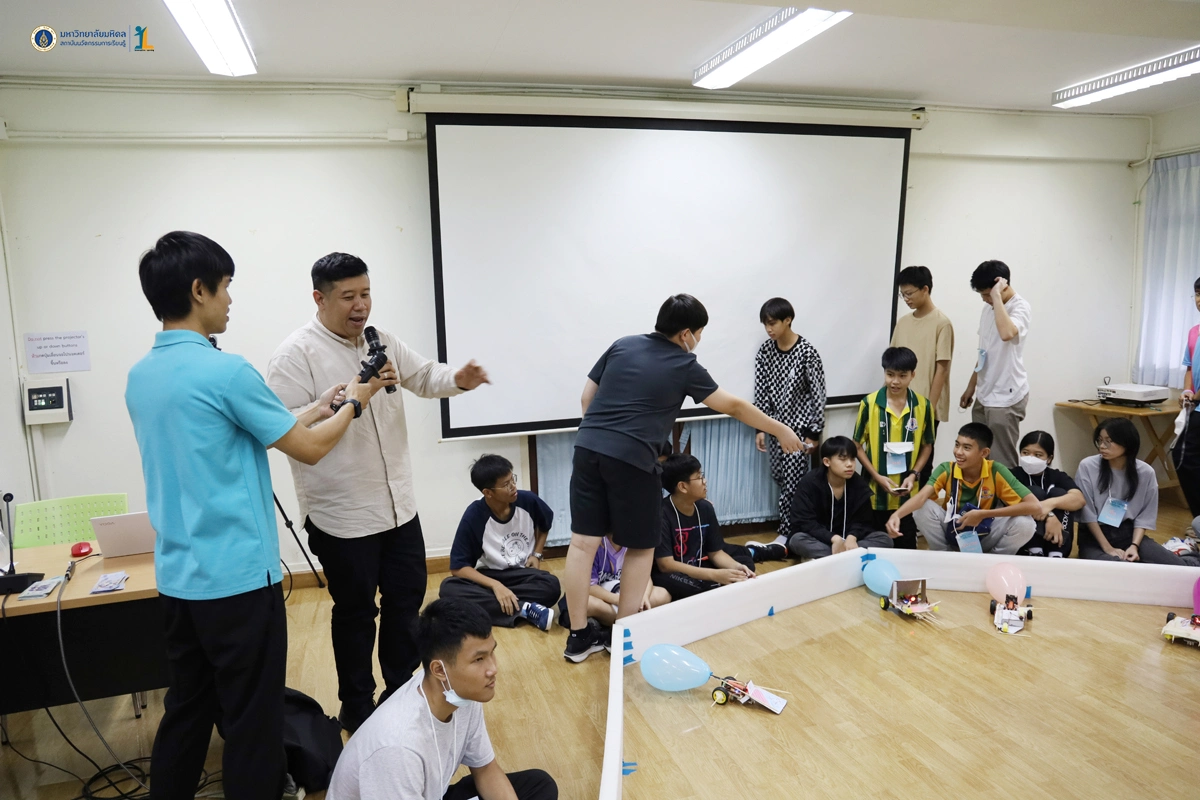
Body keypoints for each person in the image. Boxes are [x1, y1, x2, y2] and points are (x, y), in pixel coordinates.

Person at [126, 231, 379, 800]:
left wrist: (318, 407)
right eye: (225, 287)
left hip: (180, 579)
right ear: (199, 290)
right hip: (238, 580)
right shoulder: (227, 371)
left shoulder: (142, 376)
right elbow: (309, 450)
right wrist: (356, 403)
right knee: (252, 719)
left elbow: (238, 435)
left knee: (187, 708)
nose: (230, 299)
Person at [266, 252, 491, 732]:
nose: (361, 305)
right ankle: (357, 705)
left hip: (399, 508)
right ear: (319, 298)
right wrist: (349, 399)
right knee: (355, 613)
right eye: (348, 296)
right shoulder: (294, 355)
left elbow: (424, 375)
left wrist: (459, 380)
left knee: (405, 605)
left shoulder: (380, 339)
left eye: (366, 294)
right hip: (342, 515)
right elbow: (282, 428)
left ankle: (400, 693)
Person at [562, 294, 802, 662]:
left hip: (587, 448)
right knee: (641, 548)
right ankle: (624, 637)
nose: (699, 340)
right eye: (700, 333)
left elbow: (586, 398)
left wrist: (601, 436)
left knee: (582, 545)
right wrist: (780, 429)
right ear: (686, 334)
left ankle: (578, 638)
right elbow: (734, 405)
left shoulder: (622, 345)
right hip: (633, 459)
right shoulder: (684, 363)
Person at [325, 599, 558, 800]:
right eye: (479, 660)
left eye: (492, 653)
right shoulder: (397, 747)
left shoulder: (460, 691)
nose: (493, 669)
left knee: (539, 786)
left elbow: (486, 770)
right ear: (439, 670)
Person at [439, 455, 561, 630]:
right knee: (448, 589)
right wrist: (496, 586)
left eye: (513, 479)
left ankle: (499, 606)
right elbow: (458, 568)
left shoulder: (528, 500)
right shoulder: (474, 516)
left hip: (523, 574)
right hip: (490, 575)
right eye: (506, 484)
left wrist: (537, 554)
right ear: (488, 492)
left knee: (552, 585)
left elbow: (545, 524)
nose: (513, 487)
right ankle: (525, 609)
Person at [887, 423, 1039, 554]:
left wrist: (983, 514)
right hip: (951, 531)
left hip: (984, 533)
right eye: (957, 445)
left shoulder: (996, 470)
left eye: (966, 448)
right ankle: (944, 555)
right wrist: (896, 515)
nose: (958, 452)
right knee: (921, 507)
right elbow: (921, 497)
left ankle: (994, 561)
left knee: (1026, 523)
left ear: (984, 453)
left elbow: (1034, 506)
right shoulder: (946, 469)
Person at [752, 297, 827, 547]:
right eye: (765, 324)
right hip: (774, 427)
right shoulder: (766, 351)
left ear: (788, 320)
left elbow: (818, 394)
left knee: (793, 483)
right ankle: (797, 530)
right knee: (780, 477)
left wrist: (813, 432)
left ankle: (787, 533)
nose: (769, 329)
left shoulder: (806, 352)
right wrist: (760, 427)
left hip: (799, 430)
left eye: (772, 323)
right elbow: (761, 391)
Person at [1076, 419, 1195, 565]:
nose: (1102, 446)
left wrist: (1134, 546)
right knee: (1120, 569)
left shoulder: (1145, 472)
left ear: (1127, 442)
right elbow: (1087, 514)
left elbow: (1145, 515)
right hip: (1094, 536)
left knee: (1178, 567)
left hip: (1127, 533)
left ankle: (1186, 553)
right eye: (1100, 440)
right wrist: (1108, 548)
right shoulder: (1088, 466)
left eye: (1109, 441)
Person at [853, 347, 935, 549]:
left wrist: (914, 474)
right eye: (890, 375)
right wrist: (877, 476)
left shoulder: (923, 406)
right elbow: (856, 446)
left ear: (913, 375)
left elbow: (927, 445)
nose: (895, 381)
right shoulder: (869, 404)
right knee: (875, 548)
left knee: (906, 550)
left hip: (907, 495)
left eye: (902, 376)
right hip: (875, 493)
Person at [958, 260, 1032, 467]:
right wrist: (971, 386)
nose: (984, 299)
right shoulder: (988, 308)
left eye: (987, 294)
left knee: (1002, 462)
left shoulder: (1020, 307)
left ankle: (1005, 493)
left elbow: (1007, 333)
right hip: (984, 393)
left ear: (1002, 285)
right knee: (978, 459)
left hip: (1006, 396)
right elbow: (984, 352)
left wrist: (996, 297)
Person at [653, 454, 756, 600]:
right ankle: (715, 588)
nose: (704, 481)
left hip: (699, 565)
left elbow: (716, 553)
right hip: (673, 572)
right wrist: (715, 575)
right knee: (686, 585)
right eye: (699, 477)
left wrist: (735, 567)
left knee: (745, 564)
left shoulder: (705, 507)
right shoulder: (661, 513)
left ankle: (714, 588)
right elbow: (666, 565)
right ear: (683, 486)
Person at [890, 265, 954, 481]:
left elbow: (942, 369)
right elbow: (891, 362)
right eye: (903, 295)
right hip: (899, 403)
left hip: (925, 404)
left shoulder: (942, 323)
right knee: (897, 459)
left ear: (925, 289)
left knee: (922, 461)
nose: (906, 299)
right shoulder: (903, 323)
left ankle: (922, 502)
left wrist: (928, 408)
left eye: (909, 293)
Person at [788, 436, 894, 559]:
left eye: (852, 459)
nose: (850, 464)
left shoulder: (858, 484)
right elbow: (804, 521)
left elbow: (864, 521)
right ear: (827, 462)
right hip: (822, 540)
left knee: (885, 539)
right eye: (843, 459)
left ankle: (832, 558)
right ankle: (851, 556)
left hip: (850, 542)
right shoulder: (810, 482)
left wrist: (852, 536)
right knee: (797, 540)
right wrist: (833, 538)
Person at [1009, 431, 1086, 557]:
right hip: (1023, 544)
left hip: (1058, 540)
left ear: (1049, 458)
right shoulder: (1012, 474)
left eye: (1038, 455)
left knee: (1059, 493)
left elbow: (1079, 499)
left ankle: (1056, 553)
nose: (1030, 458)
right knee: (1034, 492)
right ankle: (1034, 551)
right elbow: (1010, 502)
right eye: (1025, 453)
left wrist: (1050, 504)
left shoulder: (1057, 476)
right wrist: (1050, 516)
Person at [586, 534, 672, 627]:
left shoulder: (633, 543)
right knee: (587, 604)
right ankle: (629, 619)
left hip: (628, 597)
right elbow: (589, 587)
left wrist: (644, 597)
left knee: (663, 595)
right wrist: (619, 600)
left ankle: (609, 620)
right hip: (604, 598)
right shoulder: (595, 544)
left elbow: (645, 577)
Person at [1174, 276, 1200, 515]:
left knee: (1187, 459)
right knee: (1183, 460)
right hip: (1196, 409)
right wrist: (1187, 392)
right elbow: (1190, 368)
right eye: (1198, 294)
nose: (1199, 300)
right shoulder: (1194, 332)